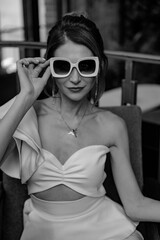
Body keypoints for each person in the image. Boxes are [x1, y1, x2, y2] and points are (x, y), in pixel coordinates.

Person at [0, 12, 160, 240]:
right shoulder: (27, 112)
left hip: (104, 228)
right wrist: (26, 97)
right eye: (63, 66)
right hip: (44, 231)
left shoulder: (112, 125)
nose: (75, 78)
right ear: (50, 68)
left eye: (85, 65)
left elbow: (135, 205)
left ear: (99, 67)